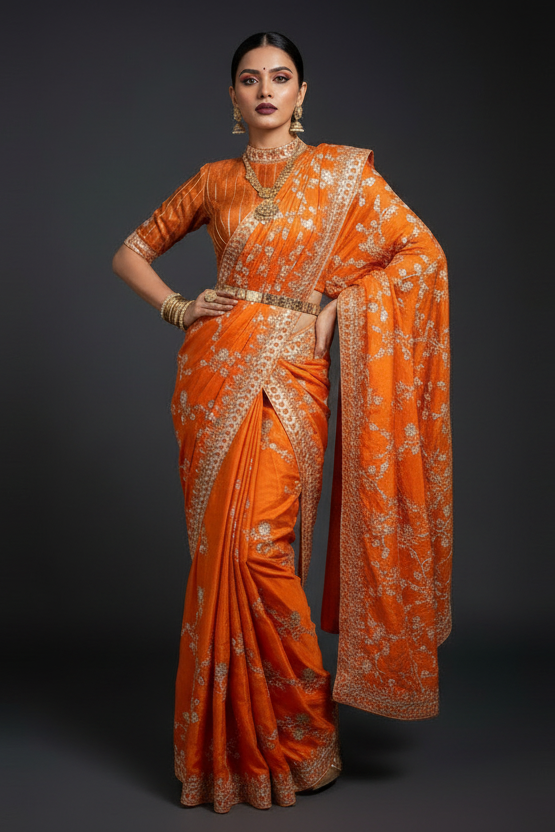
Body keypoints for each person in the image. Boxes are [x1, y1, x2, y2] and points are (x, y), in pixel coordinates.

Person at [112, 31, 453, 814]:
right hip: (215, 370)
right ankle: (238, 748)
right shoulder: (214, 181)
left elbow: (420, 255)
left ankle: (300, 736)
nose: (264, 90)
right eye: (249, 79)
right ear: (232, 97)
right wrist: (178, 307)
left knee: (259, 548)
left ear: (301, 92)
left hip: (294, 373)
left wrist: (341, 304)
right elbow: (130, 252)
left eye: (280, 77)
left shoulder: (342, 174)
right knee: (225, 554)